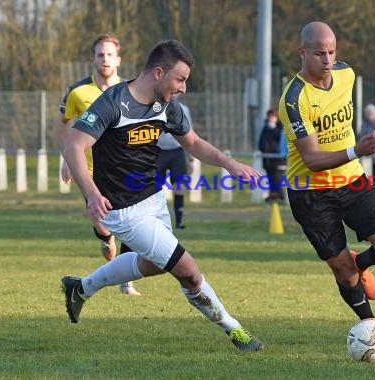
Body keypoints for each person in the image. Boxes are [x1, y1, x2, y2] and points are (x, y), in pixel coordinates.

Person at [61, 40, 263, 351]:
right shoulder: (112, 104)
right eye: (180, 79)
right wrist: (90, 194)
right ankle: (236, 332)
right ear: (158, 72)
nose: (183, 88)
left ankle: (81, 289)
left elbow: (193, 143)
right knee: (188, 271)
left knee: (155, 264)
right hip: (123, 209)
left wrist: (230, 164)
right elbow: (73, 146)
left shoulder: (167, 106)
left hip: (153, 199)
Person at [278, 22, 375, 325]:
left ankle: (361, 263)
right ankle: (371, 328)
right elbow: (311, 159)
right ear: (303, 53)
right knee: (342, 271)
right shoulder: (294, 99)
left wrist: (354, 156)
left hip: (352, 181)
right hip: (310, 194)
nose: (327, 60)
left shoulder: (346, 74)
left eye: (332, 52)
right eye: (320, 53)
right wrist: (356, 151)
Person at [57, 33, 140, 296]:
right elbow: (62, 122)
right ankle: (105, 238)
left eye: (110, 54)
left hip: (124, 169)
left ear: (118, 59)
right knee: (104, 225)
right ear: (93, 59)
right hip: (89, 170)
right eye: (100, 54)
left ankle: (127, 282)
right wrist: (66, 157)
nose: (105, 59)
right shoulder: (77, 91)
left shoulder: (131, 90)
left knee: (131, 221)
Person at [157, 102, 194, 229]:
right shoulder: (155, 106)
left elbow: (190, 136)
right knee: (155, 189)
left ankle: (179, 222)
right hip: (158, 151)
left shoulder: (184, 109)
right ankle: (157, 220)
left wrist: (190, 159)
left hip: (177, 152)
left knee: (179, 186)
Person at [258, 109, 284, 201]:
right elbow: (261, 143)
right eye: (270, 116)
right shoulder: (265, 128)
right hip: (267, 160)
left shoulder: (280, 129)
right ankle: (274, 195)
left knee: (277, 178)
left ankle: (279, 195)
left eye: (273, 116)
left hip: (277, 160)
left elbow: (281, 142)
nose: (271, 118)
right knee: (270, 178)